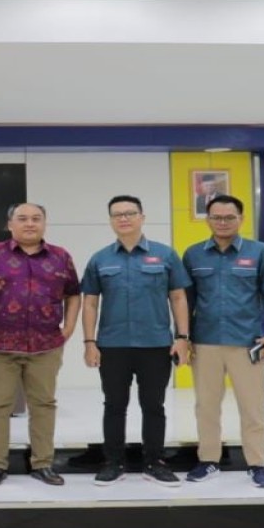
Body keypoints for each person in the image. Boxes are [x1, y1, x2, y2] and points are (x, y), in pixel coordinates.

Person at [0, 203, 80, 487]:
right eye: (23, 219)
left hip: (46, 346)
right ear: (10, 224)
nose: (30, 224)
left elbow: (74, 295)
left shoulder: (61, 257)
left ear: (45, 224)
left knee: (43, 404)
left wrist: (70, 327)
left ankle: (43, 464)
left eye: (36, 219)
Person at [80, 195, 191, 487]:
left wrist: (182, 337)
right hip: (112, 345)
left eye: (130, 213)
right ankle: (113, 462)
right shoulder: (100, 258)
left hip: (155, 344)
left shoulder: (165, 255)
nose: (124, 218)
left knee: (153, 405)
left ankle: (154, 462)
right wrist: (89, 342)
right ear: (111, 221)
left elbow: (178, 297)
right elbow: (90, 302)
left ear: (142, 217)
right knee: (114, 405)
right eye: (117, 214)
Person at [183, 194, 264, 488]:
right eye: (217, 217)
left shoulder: (259, 252)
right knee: (206, 406)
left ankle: (257, 464)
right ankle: (208, 460)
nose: (223, 222)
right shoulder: (193, 254)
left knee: (253, 407)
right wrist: (183, 337)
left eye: (230, 217)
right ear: (208, 220)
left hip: (247, 342)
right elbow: (184, 301)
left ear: (241, 219)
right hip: (205, 343)